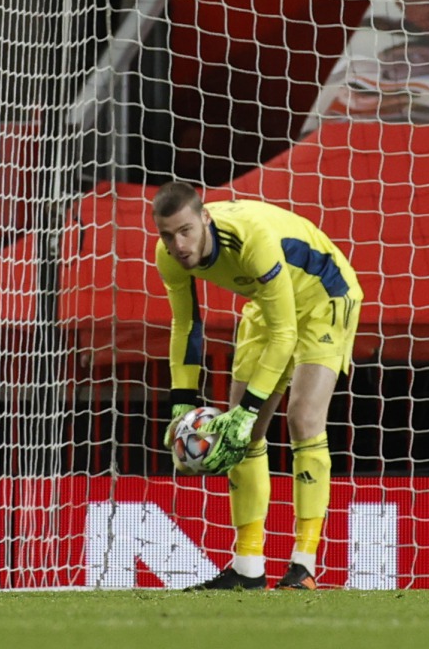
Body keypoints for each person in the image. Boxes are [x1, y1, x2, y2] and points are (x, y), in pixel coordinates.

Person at [151, 182, 363, 591]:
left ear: (204, 219)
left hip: (324, 294)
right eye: (166, 234)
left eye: (185, 231)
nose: (177, 244)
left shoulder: (251, 239)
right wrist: (182, 402)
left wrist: (248, 409)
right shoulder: (169, 257)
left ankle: (304, 566)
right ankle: (248, 566)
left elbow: (286, 334)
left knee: (302, 417)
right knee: (242, 434)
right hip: (269, 304)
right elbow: (185, 325)